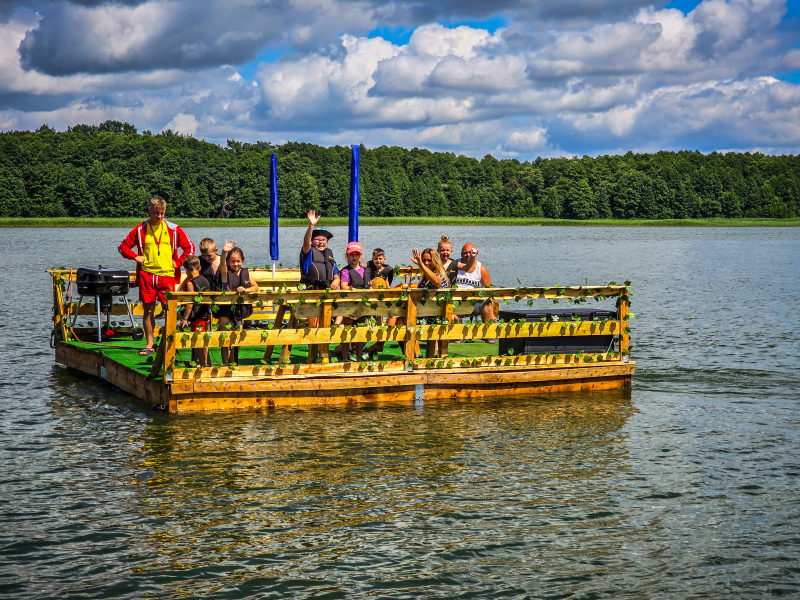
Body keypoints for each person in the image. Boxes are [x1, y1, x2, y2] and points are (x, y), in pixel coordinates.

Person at [118, 196, 195, 356]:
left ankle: (168, 342)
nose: (159, 216)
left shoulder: (173, 229)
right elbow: (122, 247)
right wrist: (135, 256)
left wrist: (179, 261)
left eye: (162, 213)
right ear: (149, 210)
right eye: (156, 213)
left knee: (169, 311)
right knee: (148, 310)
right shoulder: (140, 229)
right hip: (147, 275)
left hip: (167, 276)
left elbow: (190, 248)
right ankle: (149, 344)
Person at [218, 239, 259, 365]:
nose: (236, 264)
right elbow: (222, 266)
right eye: (233, 261)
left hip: (239, 310)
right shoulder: (225, 273)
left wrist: (247, 290)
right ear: (228, 262)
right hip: (225, 309)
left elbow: (256, 287)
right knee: (225, 337)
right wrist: (224, 252)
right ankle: (225, 363)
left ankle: (233, 361)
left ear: (242, 261)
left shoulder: (246, 272)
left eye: (238, 261)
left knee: (238, 336)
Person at [410, 247, 450, 357]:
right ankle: (416, 355)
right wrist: (420, 265)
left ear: (435, 261)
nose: (426, 263)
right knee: (397, 318)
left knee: (397, 320)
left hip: (432, 318)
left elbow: (437, 282)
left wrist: (421, 265)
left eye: (429, 260)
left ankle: (413, 356)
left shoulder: (439, 276)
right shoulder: (425, 277)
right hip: (426, 315)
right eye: (424, 260)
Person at [455, 243, 496, 342]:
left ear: (475, 254)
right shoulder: (455, 264)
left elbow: (490, 292)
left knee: (487, 302)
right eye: (465, 253)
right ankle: (457, 334)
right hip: (456, 302)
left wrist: (492, 312)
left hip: (474, 303)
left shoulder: (481, 269)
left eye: (470, 252)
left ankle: (486, 334)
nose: (468, 255)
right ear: (461, 253)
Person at [337, 241, 370, 360]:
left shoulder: (366, 271)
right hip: (349, 305)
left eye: (357, 254)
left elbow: (370, 285)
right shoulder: (346, 271)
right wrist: (357, 291)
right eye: (352, 255)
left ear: (361, 256)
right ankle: (345, 356)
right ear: (347, 256)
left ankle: (359, 356)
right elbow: (344, 286)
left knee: (360, 330)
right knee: (347, 329)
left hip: (362, 305)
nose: (354, 257)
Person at [179, 255, 211, 366]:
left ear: (186, 269)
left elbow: (189, 304)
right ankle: (207, 364)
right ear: (199, 268)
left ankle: (203, 366)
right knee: (203, 343)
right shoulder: (205, 280)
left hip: (196, 317)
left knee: (197, 343)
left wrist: (184, 319)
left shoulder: (190, 283)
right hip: (205, 316)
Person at [363, 248, 395, 357]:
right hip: (370, 298)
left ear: (384, 259)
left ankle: (378, 342)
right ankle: (363, 343)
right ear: (372, 259)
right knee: (369, 320)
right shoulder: (367, 267)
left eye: (380, 259)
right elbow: (360, 270)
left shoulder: (388, 269)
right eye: (376, 259)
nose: (378, 261)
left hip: (382, 298)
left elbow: (387, 285)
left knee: (381, 320)